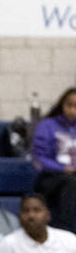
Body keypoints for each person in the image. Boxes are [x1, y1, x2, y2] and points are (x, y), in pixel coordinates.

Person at [30, 87, 76, 232]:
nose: (73, 110)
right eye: (70, 105)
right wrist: (63, 168)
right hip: (51, 177)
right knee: (71, 183)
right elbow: (39, 158)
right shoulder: (47, 125)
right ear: (62, 105)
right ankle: (66, 231)